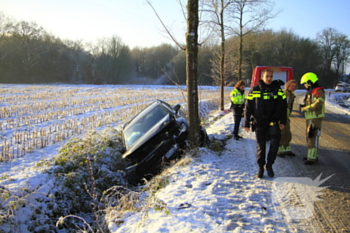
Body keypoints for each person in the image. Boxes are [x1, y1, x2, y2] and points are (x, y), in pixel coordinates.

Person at [244, 69, 287, 178]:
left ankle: (269, 165)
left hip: (273, 122)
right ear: (262, 77)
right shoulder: (255, 90)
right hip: (260, 122)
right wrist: (246, 123)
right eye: (267, 76)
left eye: (271, 76)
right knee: (261, 147)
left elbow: (283, 107)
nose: (269, 79)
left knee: (274, 145)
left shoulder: (277, 90)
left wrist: (283, 121)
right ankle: (260, 167)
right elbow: (248, 108)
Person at [299, 72, 325, 165]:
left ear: (310, 82)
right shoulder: (312, 91)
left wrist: (306, 108)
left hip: (315, 118)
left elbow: (318, 104)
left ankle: (312, 158)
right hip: (311, 118)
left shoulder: (318, 91)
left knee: (313, 137)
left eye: (305, 83)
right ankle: (311, 155)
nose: (305, 86)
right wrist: (304, 105)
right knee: (309, 137)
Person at [277, 80, 297, 157]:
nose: (293, 87)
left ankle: (286, 149)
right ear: (288, 86)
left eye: (294, 86)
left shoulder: (291, 95)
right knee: (283, 133)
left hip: (286, 117)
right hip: (282, 117)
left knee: (287, 134)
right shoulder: (286, 94)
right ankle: (279, 150)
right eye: (292, 86)